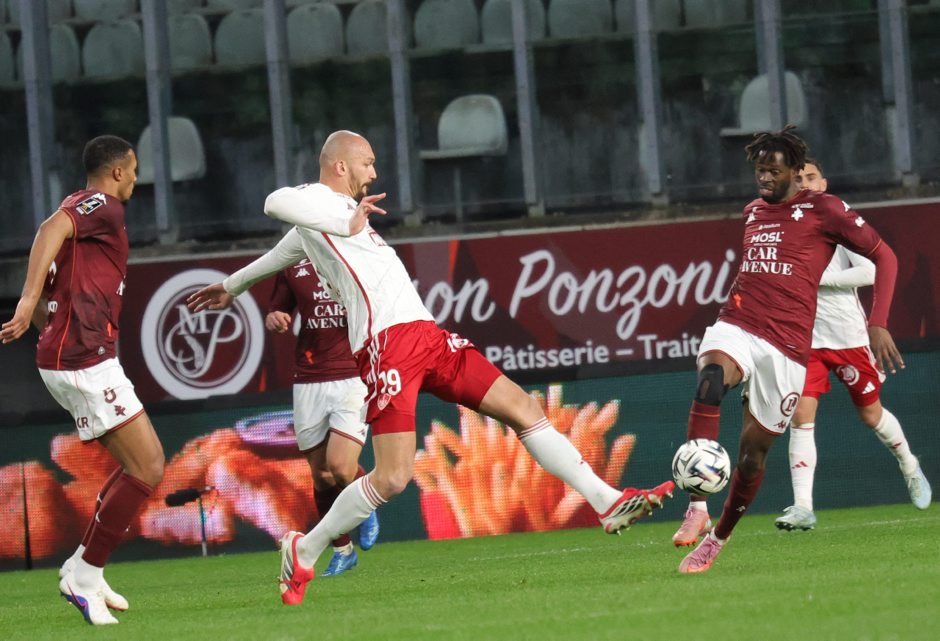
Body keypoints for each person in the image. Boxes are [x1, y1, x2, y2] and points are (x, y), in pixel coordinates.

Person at [187, 130, 675, 605]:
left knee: (523, 407)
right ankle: (307, 548)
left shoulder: (326, 220)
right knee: (392, 478)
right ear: (340, 165)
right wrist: (345, 223)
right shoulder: (322, 203)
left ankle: (606, 501)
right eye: (367, 163)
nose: (373, 173)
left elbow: (283, 251)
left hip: (428, 337)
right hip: (387, 346)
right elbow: (273, 201)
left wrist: (231, 285)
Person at [672, 126, 903, 573]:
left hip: (789, 347)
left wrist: (878, 322)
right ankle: (697, 506)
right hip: (739, 323)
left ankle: (717, 540)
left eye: (772, 171)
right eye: (759, 170)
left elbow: (885, 256)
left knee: (752, 455)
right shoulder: (753, 212)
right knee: (711, 378)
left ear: (796, 173)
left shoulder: (825, 210)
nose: (763, 178)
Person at [1, 135, 165, 624]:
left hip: (74, 357)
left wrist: (47, 326)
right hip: (84, 361)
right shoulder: (103, 207)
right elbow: (50, 229)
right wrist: (27, 301)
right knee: (149, 466)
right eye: (133, 170)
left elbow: (57, 255)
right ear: (116, 172)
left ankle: (83, 565)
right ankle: (86, 574)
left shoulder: (81, 210)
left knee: (135, 466)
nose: (136, 179)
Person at [774, 160, 931, 530]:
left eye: (811, 177)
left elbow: (870, 270)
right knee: (800, 418)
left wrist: (818, 281)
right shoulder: (780, 225)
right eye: (798, 179)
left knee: (871, 415)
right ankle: (802, 506)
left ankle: (909, 464)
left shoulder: (836, 219)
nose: (804, 183)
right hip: (805, 340)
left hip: (848, 338)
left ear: (824, 183)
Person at [224, 258, 380, 575]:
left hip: (352, 375)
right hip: (309, 379)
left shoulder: (355, 256)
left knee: (341, 467)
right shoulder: (293, 263)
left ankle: (367, 504)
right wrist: (275, 317)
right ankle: (343, 551)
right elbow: (278, 309)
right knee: (321, 475)